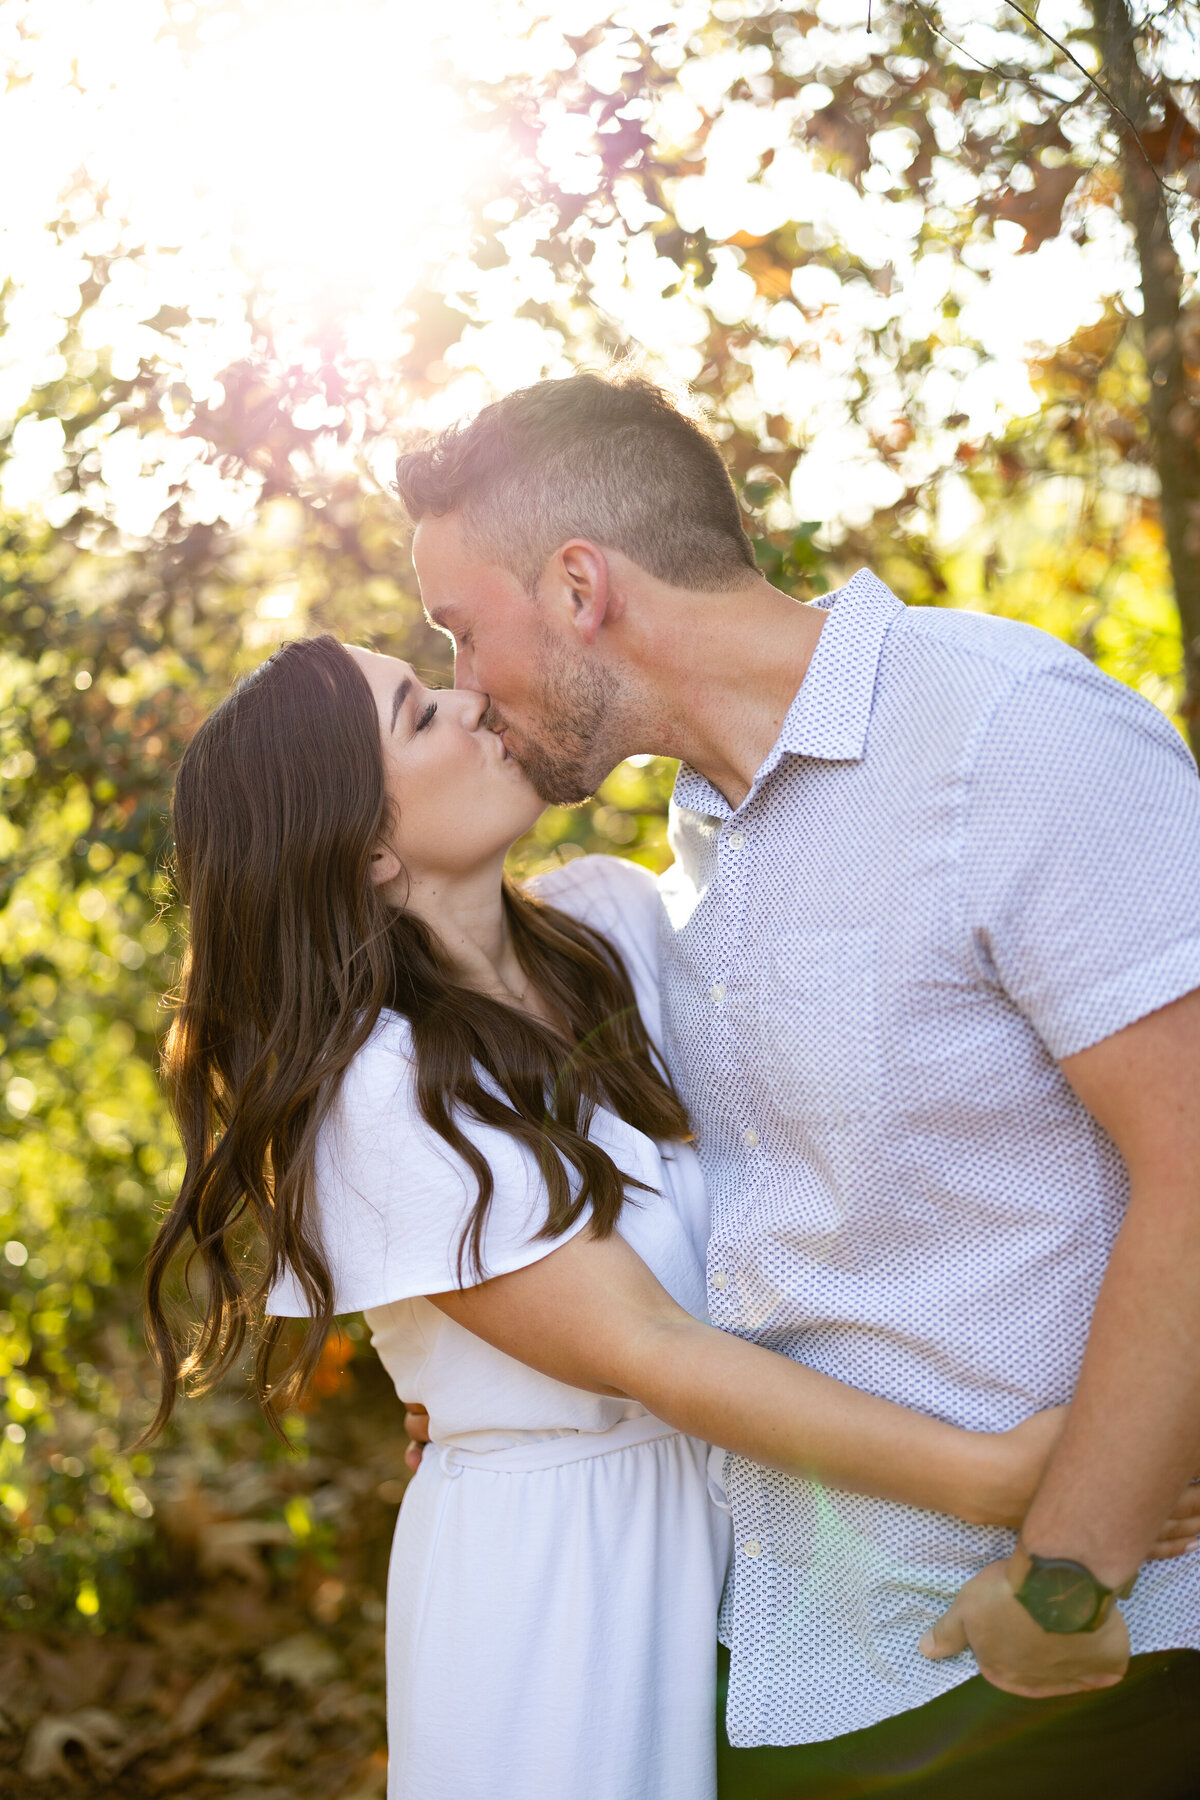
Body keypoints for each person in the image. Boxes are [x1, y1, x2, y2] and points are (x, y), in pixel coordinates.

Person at [140, 633, 1188, 1800]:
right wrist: (1010, 1481)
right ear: (368, 846)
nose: (471, 698)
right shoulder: (370, 1094)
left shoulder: (615, 923)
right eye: (418, 714)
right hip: (562, 1573)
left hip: (751, 1532)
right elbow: (653, 1348)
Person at [393, 369, 1200, 1797]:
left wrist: (1070, 1571)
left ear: (581, 587)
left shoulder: (1006, 734)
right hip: (786, 1680)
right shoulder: (682, 874)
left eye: (463, 630)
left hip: (1069, 1665)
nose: (467, 684)